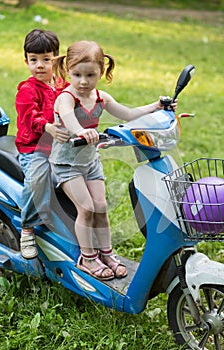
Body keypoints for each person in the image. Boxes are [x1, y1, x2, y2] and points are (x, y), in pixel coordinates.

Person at [50, 40, 177, 280]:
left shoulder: (100, 97)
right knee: (86, 208)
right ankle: (87, 258)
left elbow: (128, 114)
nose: (83, 81)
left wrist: (157, 106)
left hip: (90, 162)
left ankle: (106, 254)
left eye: (91, 75)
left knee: (101, 206)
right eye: (77, 75)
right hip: (67, 164)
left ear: (101, 72)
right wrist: (80, 131)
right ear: (68, 70)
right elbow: (69, 119)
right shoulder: (67, 98)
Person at [15, 29, 70, 259]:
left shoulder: (62, 86)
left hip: (60, 147)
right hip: (34, 148)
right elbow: (29, 116)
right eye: (33, 60)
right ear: (26, 60)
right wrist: (46, 126)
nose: (39, 65)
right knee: (38, 177)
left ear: (55, 60)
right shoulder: (27, 90)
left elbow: (78, 101)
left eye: (46, 59)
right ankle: (27, 228)